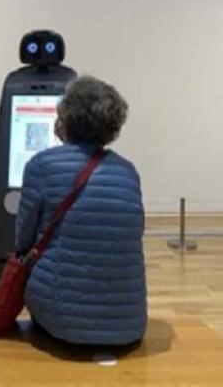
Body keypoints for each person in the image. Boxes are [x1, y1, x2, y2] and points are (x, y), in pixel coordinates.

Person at [15, 76, 146, 346]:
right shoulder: (128, 172)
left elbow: (22, 241)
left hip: (59, 321)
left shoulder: (41, 166)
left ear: (66, 119)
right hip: (128, 325)